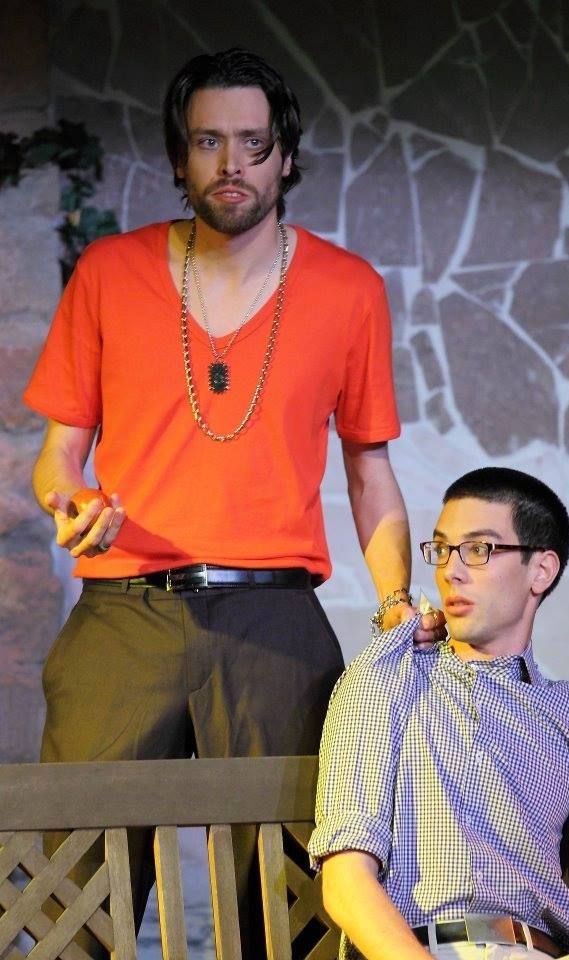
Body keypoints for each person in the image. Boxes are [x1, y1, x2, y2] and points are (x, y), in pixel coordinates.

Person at [23, 47, 443, 955]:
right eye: (208, 141)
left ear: (285, 154)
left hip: (275, 620)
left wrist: (394, 600)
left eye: (253, 142)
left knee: (291, 901)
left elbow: (369, 470)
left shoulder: (349, 288)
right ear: (180, 156)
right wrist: (68, 501)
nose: (231, 163)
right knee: (73, 898)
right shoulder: (109, 271)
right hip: (123, 612)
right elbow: (58, 455)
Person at [309, 466, 569, 960]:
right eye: (443, 550)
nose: (451, 571)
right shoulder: (388, 678)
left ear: (541, 571)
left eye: (479, 550)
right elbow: (345, 879)